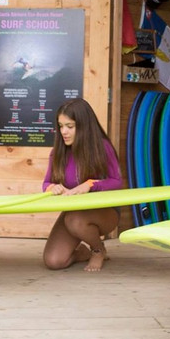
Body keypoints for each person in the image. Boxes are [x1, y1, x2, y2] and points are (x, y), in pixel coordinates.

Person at [42, 98, 123, 272]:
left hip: (105, 211)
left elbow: (117, 182)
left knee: (74, 220)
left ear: (84, 126)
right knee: (54, 261)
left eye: (70, 126)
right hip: (74, 212)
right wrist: (52, 188)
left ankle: (98, 250)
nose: (64, 131)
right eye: (61, 126)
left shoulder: (103, 147)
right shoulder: (58, 151)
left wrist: (90, 185)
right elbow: (46, 182)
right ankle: (82, 253)